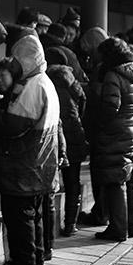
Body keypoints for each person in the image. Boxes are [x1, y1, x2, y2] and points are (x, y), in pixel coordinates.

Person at [0, 39, 60, 265]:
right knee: (32, 215)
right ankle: (33, 261)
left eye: (17, 59)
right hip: (38, 163)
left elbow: (16, 125)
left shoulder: (33, 86)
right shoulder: (44, 82)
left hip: (24, 164)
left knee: (19, 217)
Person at [85, 36, 133, 242]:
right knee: (131, 179)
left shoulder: (113, 75)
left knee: (115, 181)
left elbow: (110, 107)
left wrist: (100, 125)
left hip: (114, 133)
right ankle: (131, 226)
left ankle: (118, 229)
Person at [47, 53, 88, 235]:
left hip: (56, 135)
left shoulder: (48, 83)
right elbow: (83, 107)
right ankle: (71, 224)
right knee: (73, 182)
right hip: (76, 135)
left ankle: (49, 227)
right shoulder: (74, 84)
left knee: (50, 181)